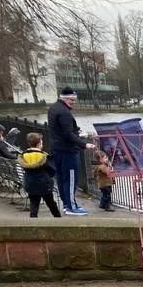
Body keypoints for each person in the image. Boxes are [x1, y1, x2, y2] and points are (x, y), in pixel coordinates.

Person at [47, 87, 95, 215]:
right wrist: (84, 145)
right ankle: (71, 207)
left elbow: (62, 129)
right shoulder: (64, 113)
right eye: (71, 99)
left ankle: (66, 204)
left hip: (57, 149)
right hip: (67, 151)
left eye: (74, 100)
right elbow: (68, 134)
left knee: (62, 178)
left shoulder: (53, 108)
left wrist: (76, 130)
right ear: (64, 98)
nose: (73, 102)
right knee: (71, 179)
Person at [19, 132, 62, 218]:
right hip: (44, 184)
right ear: (39, 144)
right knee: (51, 203)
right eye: (41, 143)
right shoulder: (43, 156)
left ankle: (33, 219)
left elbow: (25, 168)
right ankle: (58, 218)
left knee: (34, 203)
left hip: (30, 183)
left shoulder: (23, 156)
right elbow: (51, 170)